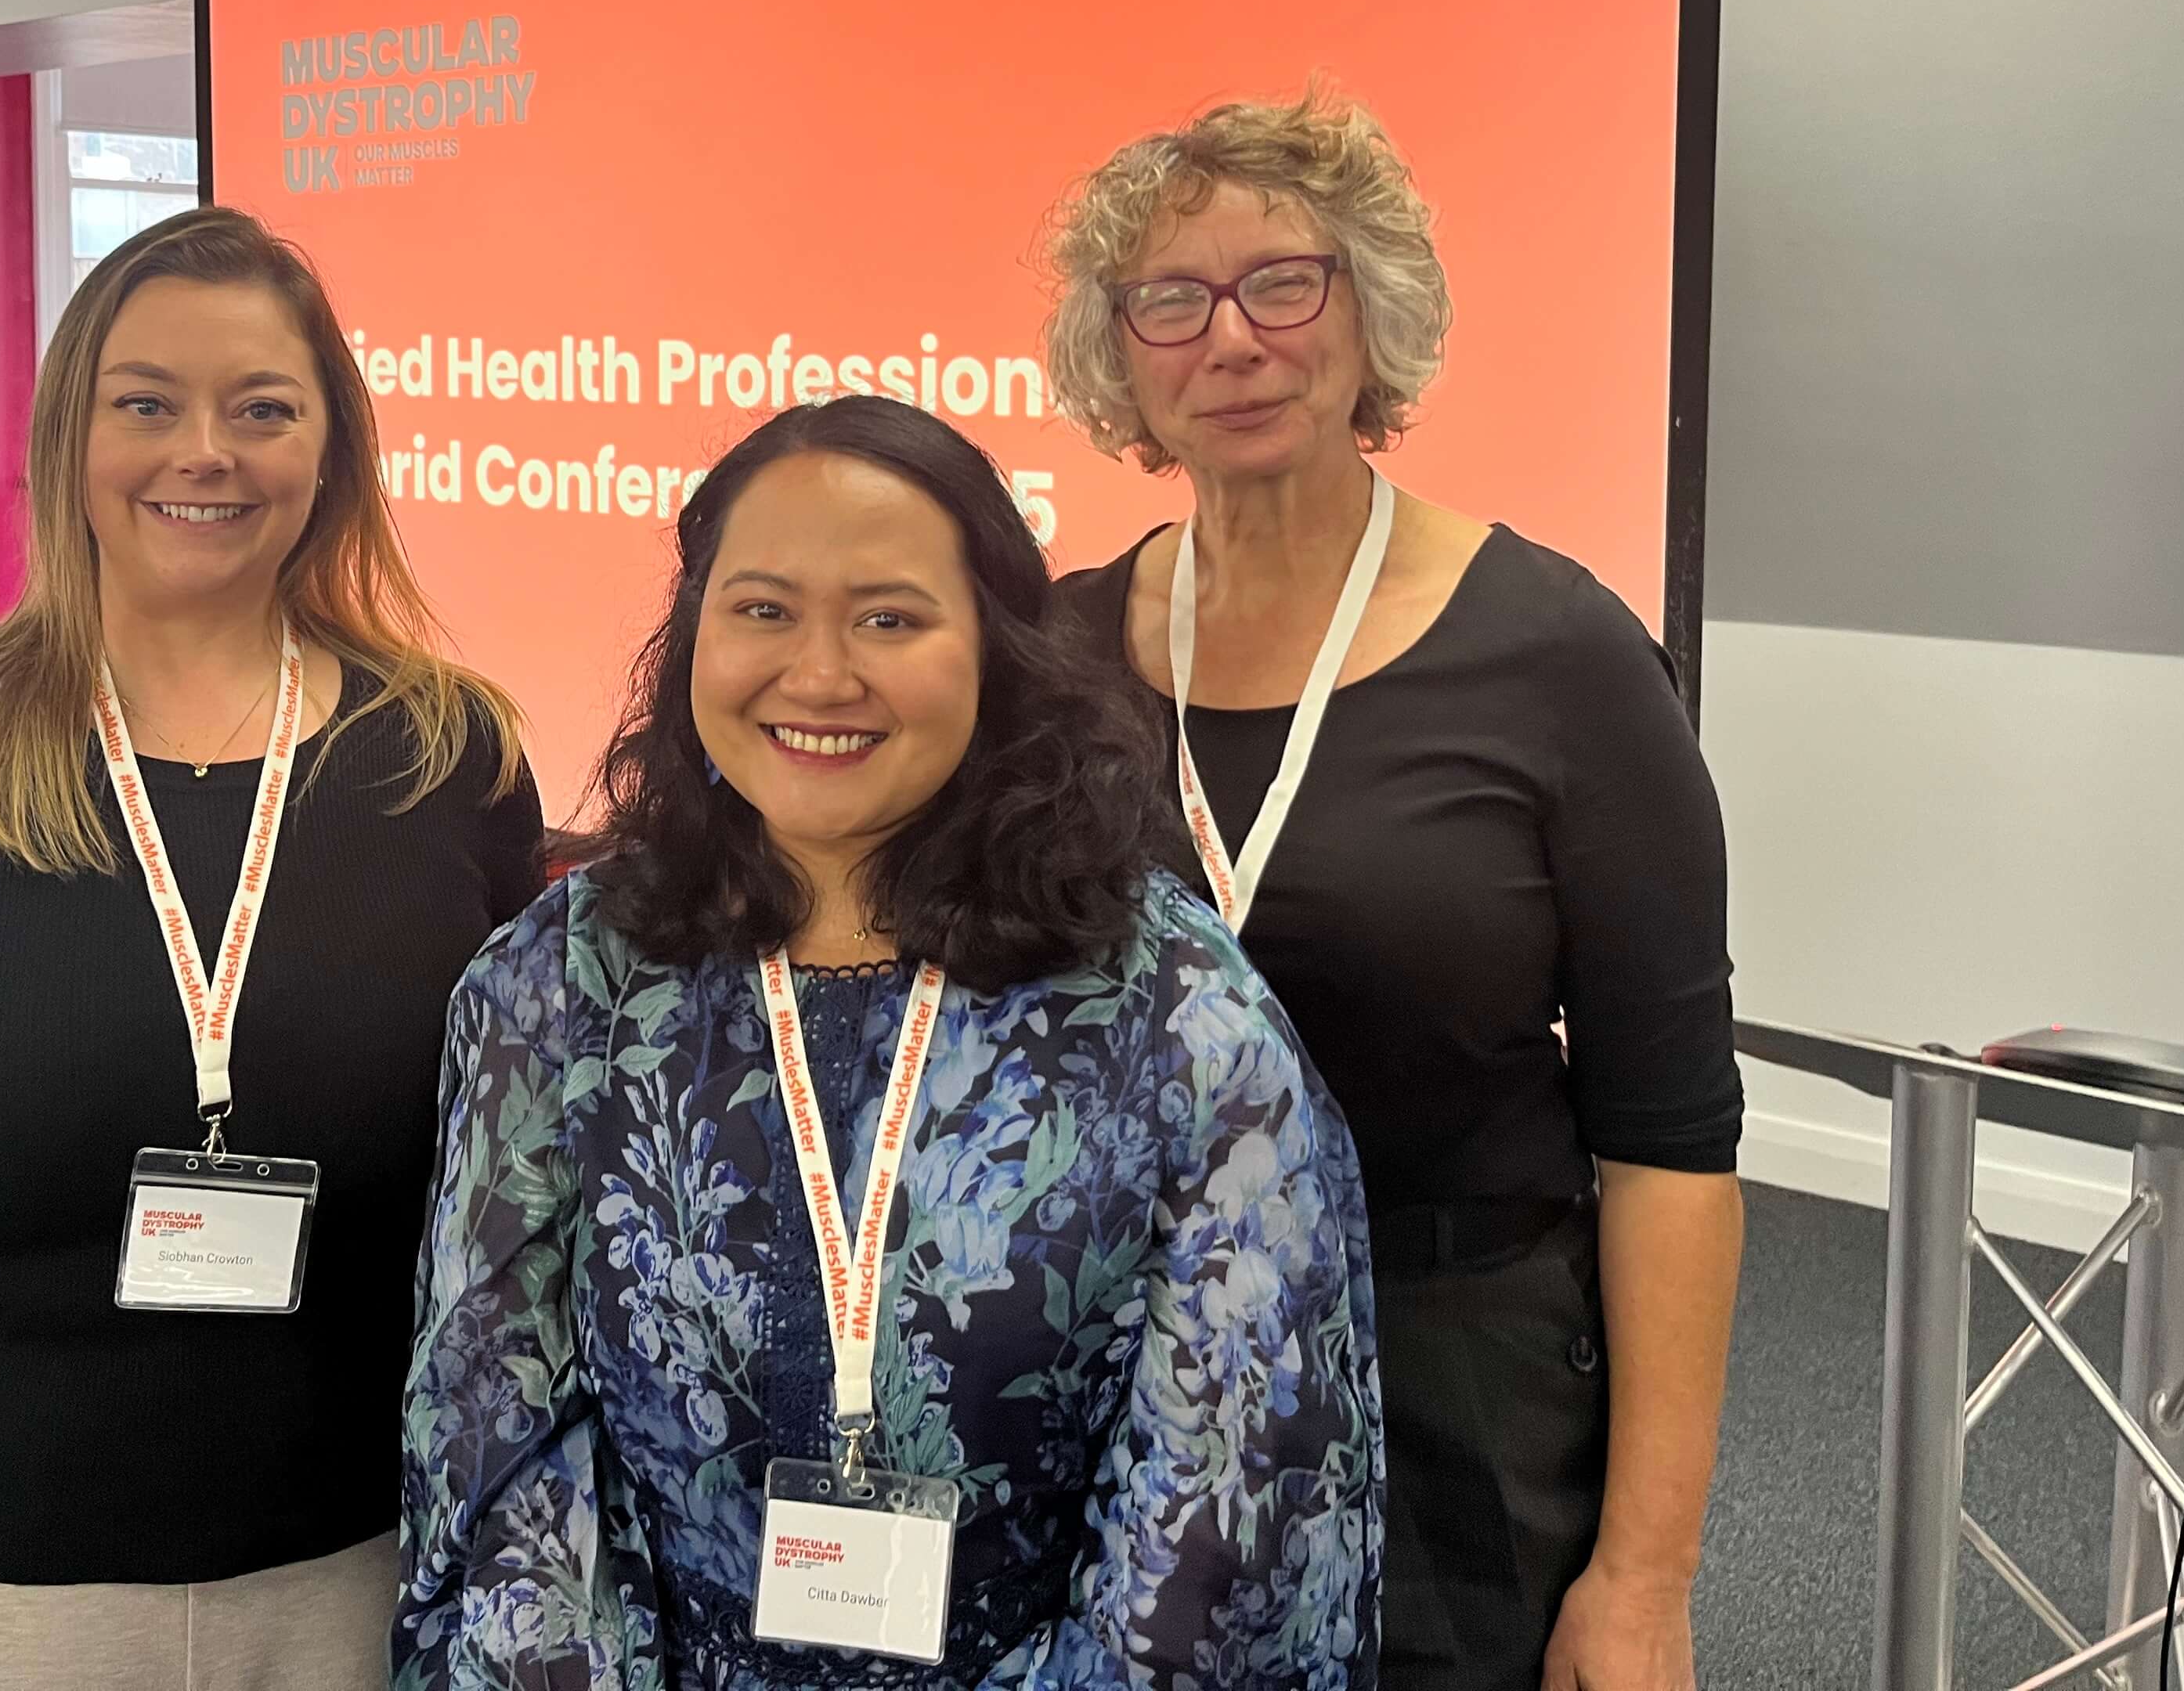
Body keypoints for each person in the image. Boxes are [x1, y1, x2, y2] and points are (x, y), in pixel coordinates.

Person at [397, 396, 1381, 1690]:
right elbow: (500, 1447)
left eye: (889, 618)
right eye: (762, 610)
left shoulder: (1173, 1014)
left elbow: (1234, 1529)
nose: (818, 674)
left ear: (996, 645)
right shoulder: (561, 983)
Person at [0, 206, 541, 1691]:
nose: (201, 452)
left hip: (365, 1573)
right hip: (2, 1592)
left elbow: (506, 1225)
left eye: (262, 409)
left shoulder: (446, 763)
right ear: (65, 441)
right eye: (145, 403)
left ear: (331, 449)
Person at [1043, 86, 1745, 1691]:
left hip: (1452, 1376)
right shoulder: (1056, 656)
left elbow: (1673, 1148)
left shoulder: (1559, 656)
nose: (1232, 339)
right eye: (1171, 298)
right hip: (1123, 1358)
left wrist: (1645, 1577)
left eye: (1284, 282)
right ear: (1122, 353)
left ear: (1372, 315)